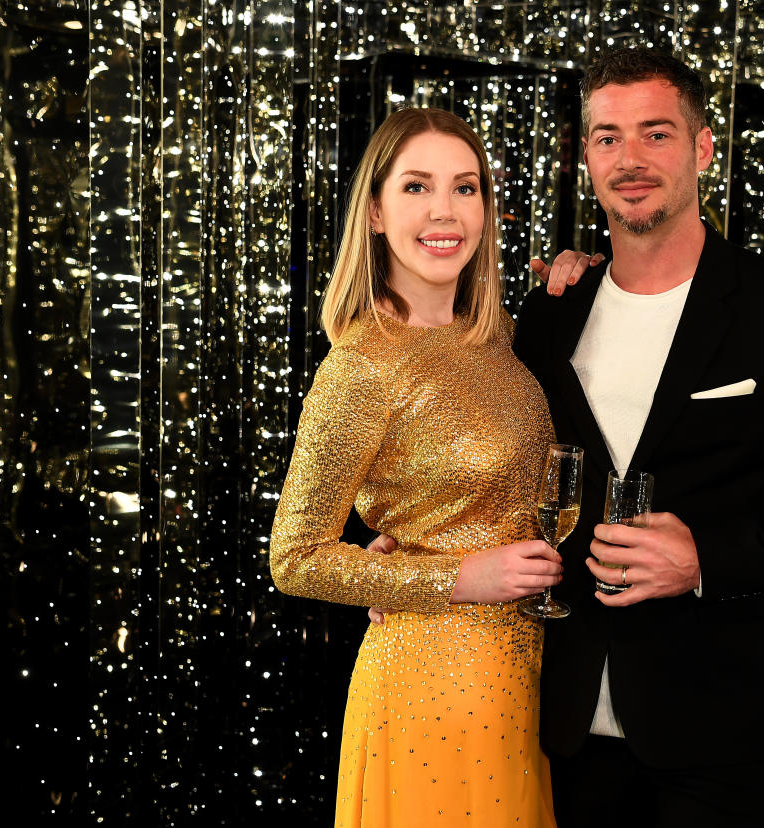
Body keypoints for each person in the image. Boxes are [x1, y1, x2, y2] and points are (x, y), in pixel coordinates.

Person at [511, 47, 764, 827]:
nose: (630, 160)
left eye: (656, 134)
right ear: (585, 156)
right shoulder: (551, 310)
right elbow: (499, 465)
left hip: (722, 734)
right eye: (607, 137)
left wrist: (706, 562)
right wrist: (405, 553)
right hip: (562, 725)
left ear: (703, 147)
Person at [269, 108, 565, 827]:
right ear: (374, 211)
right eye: (416, 187)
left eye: (466, 188)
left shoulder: (497, 340)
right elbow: (295, 557)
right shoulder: (363, 366)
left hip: (528, 681)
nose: (444, 211)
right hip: (432, 690)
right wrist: (459, 576)